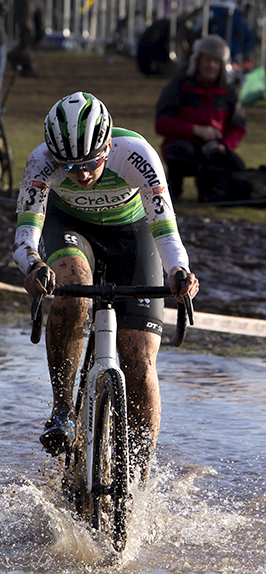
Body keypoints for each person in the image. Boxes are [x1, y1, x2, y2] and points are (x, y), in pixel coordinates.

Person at [13, 92, 199, 479]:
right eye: (70, 166)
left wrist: (179, 272)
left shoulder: (136, 155)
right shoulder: (41, 161)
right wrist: (33, 267)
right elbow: (26, 234)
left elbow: (165, 229)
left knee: (140, 359)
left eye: (90, 163)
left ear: (108, 144)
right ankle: (63, 410)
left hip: (133, 236)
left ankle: (139, 476)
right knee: (71, 285)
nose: (80, 174)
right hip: (70, 231)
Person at [155, 34, 246, 202]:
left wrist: (224, 146)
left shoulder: (228, 93)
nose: (211, 66)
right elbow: (162, 124)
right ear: (197, 61)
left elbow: (238, 127)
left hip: (216, 149)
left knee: (237, 166)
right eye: (207, 60)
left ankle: (213, 190)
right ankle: (174, 187)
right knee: (180, 152)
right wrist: (196, 130)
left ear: (222, 65)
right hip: (185, 145)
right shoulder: (179, 86)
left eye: (216, 61)